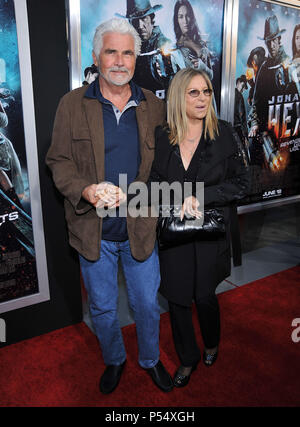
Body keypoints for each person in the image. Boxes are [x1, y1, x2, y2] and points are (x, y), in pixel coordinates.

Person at [46, 18, 173, 394]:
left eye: (127, 52)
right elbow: (58, 161)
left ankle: (150, 360)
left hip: (140, 227)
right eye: (111, 51)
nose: (119, 61)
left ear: (137, 57)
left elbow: (165, 168)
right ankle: (115, 359)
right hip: (93, 232)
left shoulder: (154, 106)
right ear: (96, 56)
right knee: (102, 310)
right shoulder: (71, 104)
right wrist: (85, 190)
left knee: (148, 306)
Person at [147, 68, 250, 387]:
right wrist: (173, 199)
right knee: (177, 300)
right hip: (174, 234)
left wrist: (199, 197)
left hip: (210, 233)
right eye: (194, 92)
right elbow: (152, 184)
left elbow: (244, 182)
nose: (203, 98)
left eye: (206, 91)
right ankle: (187, 359)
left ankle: (212, 342)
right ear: (179, 96)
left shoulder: (225, 132)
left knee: (205, 296)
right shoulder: (162, 136)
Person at [116, 0, 179, 95]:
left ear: (151, 19)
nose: (140, 26)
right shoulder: (126, 49)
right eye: (135, 21)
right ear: (130, 23)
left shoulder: (164, 45)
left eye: (144, 18)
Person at [173, 0, 213, 79]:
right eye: (181, 17)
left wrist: (201, 65)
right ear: (177, 20)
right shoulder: (175, 50)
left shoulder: (202, 43)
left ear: (192, 17)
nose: (185, 21)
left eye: (188, 16)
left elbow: (211, 76)